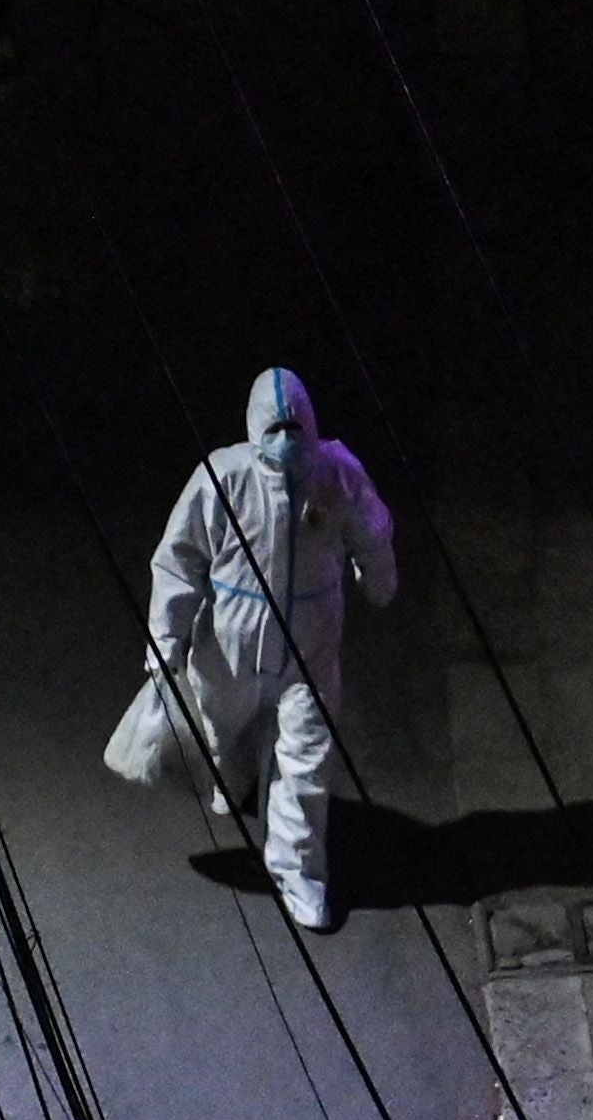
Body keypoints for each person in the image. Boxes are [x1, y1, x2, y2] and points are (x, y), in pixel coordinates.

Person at [108, 367, 399, 930]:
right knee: (222, 730)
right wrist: (165, 640)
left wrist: (378, 577)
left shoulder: (337, 474)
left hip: (309, 649)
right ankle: (236, 779)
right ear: (255, 427)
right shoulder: (223, 477)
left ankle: (298, 872)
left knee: (306, 760)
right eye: (276, 427)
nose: (286, 439)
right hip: (228, 648)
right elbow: (179, 557)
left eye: (295, 427)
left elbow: (373, 528)